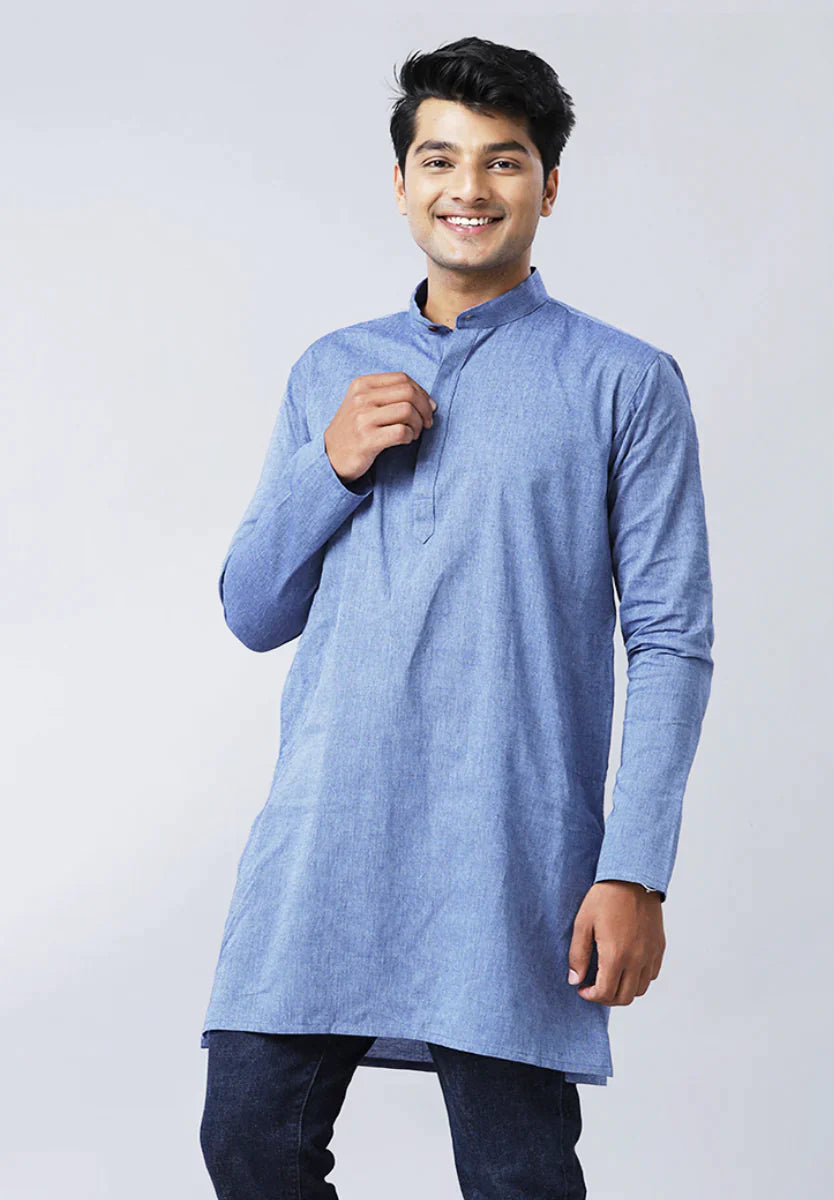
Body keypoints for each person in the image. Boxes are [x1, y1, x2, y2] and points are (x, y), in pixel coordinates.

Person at [198, 35, 715, 1200]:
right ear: (400, 183)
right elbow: (252, 610)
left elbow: (671, 640)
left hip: (511, 848)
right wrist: (331, 464)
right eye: (439, 159)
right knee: (249, 1144)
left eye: (503, 160)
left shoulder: (623, 380)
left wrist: (636, 870)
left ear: (548, 185)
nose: (468, 188)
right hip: (326, 836)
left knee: (517, 1176)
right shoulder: (332, 370)